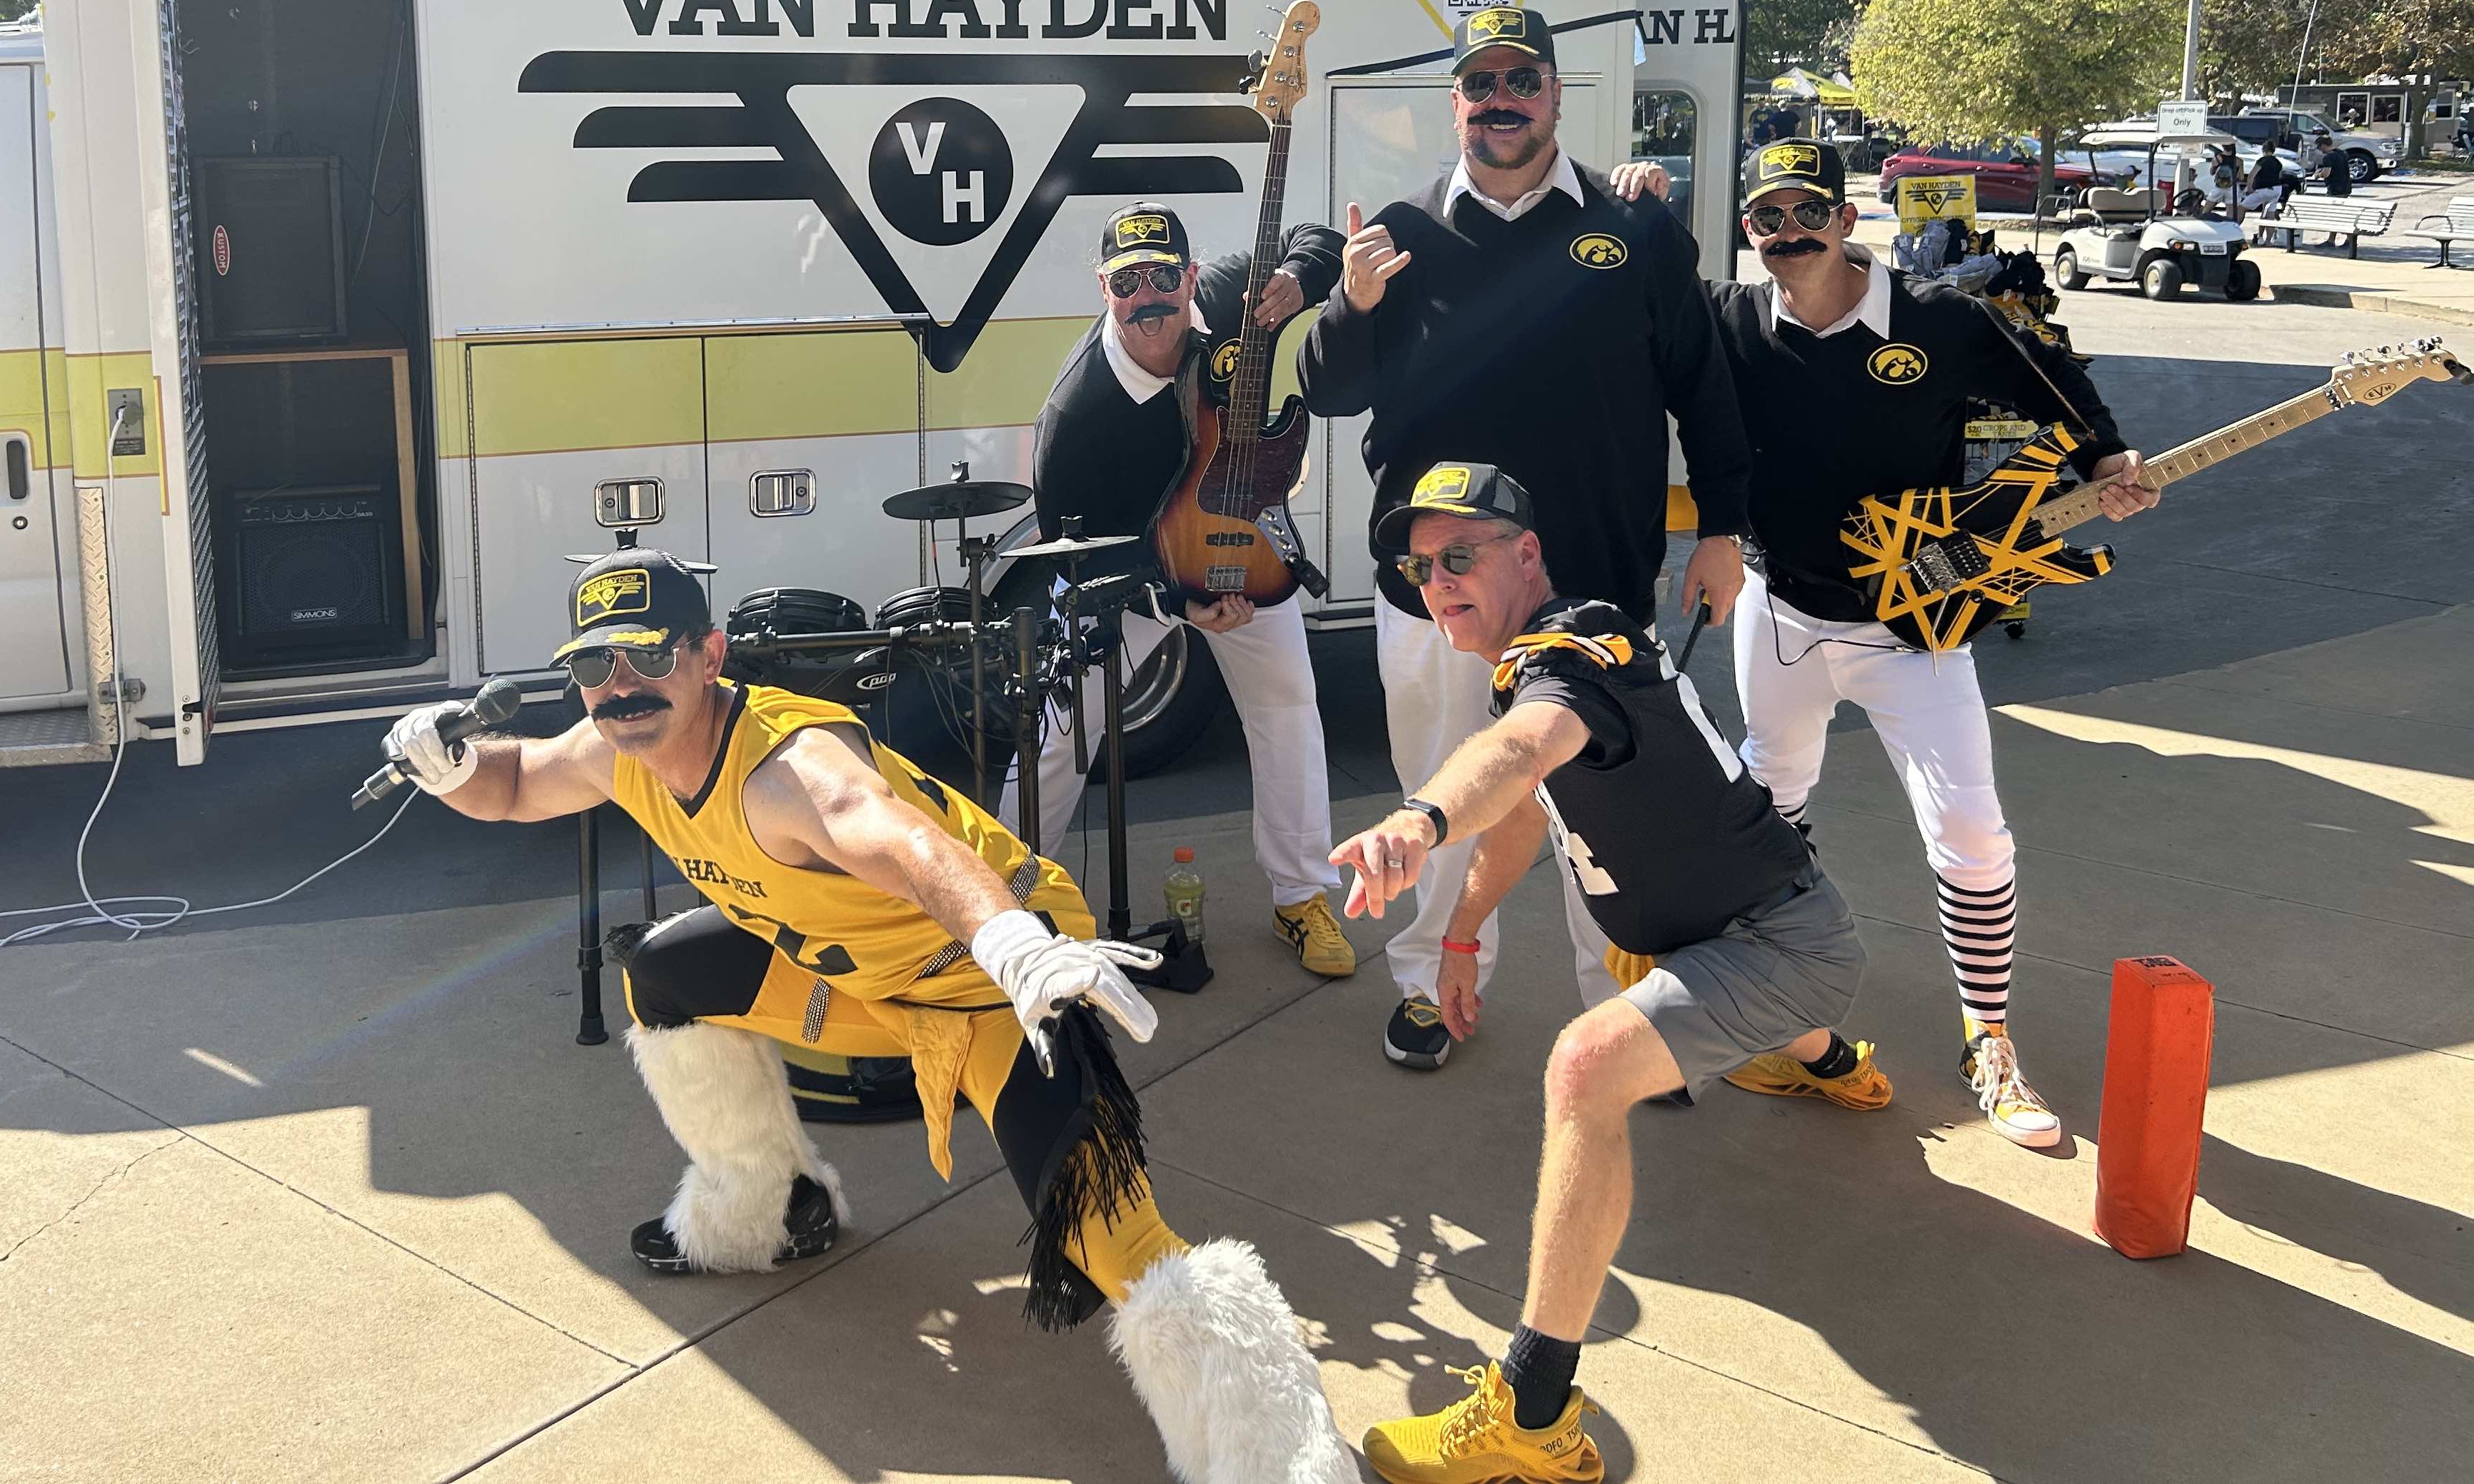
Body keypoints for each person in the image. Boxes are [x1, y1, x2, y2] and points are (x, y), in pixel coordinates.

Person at [383, 550, 1352, 1484]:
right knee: (664, 975)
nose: (622, 683)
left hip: (984, 978)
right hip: (853, 981)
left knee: (1109, 1236)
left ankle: (1281, 1455)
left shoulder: (786, 769)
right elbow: (511, 783)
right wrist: (448, 762)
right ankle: (769, 1203)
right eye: (597, 662)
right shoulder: (614, 746)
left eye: (650, 653)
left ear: (710, 654)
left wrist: (1011, 944)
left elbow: (899, 841)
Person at [1330, 463, 1886, 1483]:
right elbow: (1526, 797)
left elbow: (1518, 748)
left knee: (1585, 1065)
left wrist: (1418, 817)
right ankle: (1827, 1060)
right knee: (1648, 964)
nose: (1436, 582)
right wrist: (1458, 935)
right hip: (1723, 934)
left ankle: (1532, 1420)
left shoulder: (1574, 652)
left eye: (1460, 555)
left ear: (1525, 553)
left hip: (1776, 942)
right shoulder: (1545, 657)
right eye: (1417, 568)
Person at [1629, 140, 2156, 1144]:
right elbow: (1632, 320)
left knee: (1970, 830)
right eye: (1765, 219)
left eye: (1806, 213)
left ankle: (1987, 1037)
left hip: (1913, 620)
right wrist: (1639, 211)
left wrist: (2107, 454)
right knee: (1767, 808)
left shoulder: (1940, 319)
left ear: (1845, 219)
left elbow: (2053, 384)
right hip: (1779, 611)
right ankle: (1775, 1010)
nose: (1787, 235)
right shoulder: (1731, 317)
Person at [1298, 4, 1754, 1073]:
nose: (1498, 101)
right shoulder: (1399, 235)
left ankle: (1630, 1017)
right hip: (1434, 593)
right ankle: (1428, 983)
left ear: (1554, 95)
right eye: (1478, 85)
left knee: (1606, 814)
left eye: (1520, 81)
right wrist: (1352, 303)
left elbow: (1703, 386)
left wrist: (1722, 529)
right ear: (1455, 102)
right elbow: (1327, 389)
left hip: (1589, 585)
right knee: (1437, 796)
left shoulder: (1634, 226)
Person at [1001, 201, 1354, 978]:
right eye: (1129, 281)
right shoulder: (1077, 413)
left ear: (1193, 276)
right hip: (1136, 579)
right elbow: (1076, 557)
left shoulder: (1228, 296)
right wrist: (1176, 605)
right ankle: (1002, 903)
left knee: (1289, 702)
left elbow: (1317, 237)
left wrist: (1298, 280)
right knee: (1059, 730)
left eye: (1166, 274)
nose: (1149, 296)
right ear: (1104, 289)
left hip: (1242, 539)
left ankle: (1301, 896)